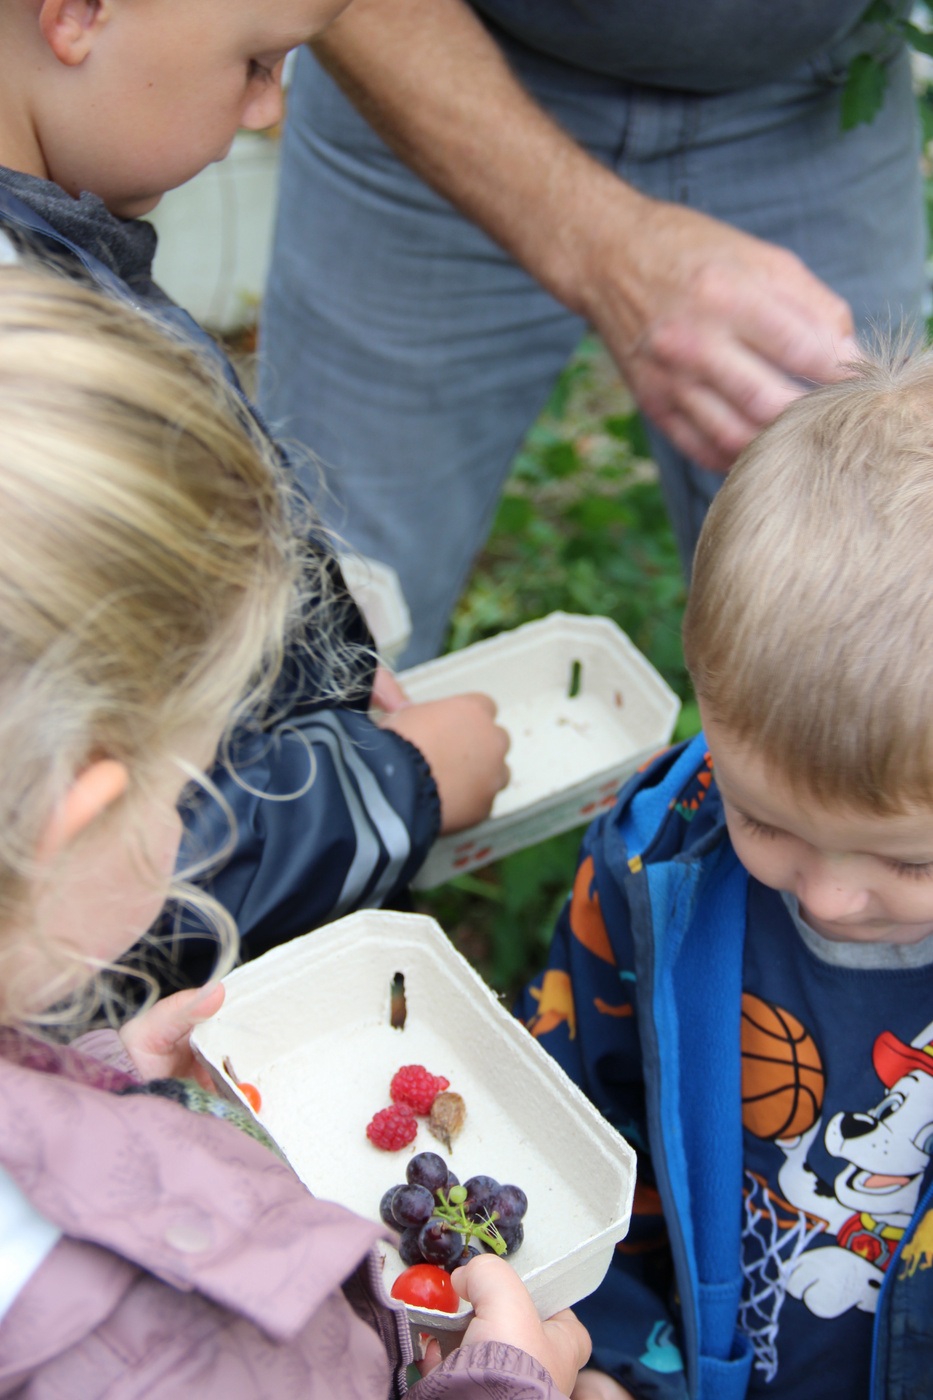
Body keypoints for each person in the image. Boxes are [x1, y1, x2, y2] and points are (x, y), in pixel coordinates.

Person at [0, 264, 591, 1398]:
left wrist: (86, 1084)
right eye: (184, 781)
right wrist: (506, 1380)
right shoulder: (167, 1355)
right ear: (79, 817)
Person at [0, 0, 510, 981]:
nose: (269, 110)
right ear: (78, 14)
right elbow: (83, 873)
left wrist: (311, 644)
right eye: (258, 61)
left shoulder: (61, 246)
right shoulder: (31, 360)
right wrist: (391, 789)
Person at [259, 0, 924, 665]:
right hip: (426, 54)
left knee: (866, 620)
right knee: (327, 611)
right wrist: (602, 245)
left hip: (819, 86)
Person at [517, 344, 933, 1400]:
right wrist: (610, 1354)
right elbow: (575, 1127)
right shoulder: (653, 866)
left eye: (910, 860)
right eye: (764, 818)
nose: (828, 896)